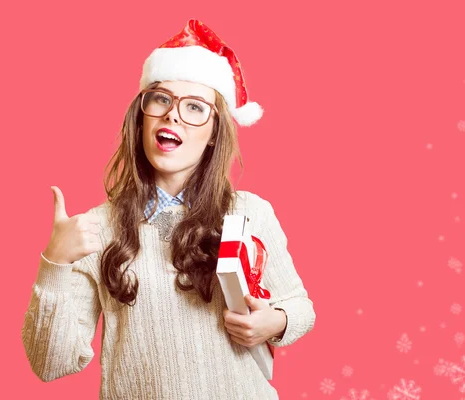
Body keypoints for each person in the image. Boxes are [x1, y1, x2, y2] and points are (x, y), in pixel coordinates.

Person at [21, 18, 316, 399]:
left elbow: (300, 306)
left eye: (195, 107)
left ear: (214, 134)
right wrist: (55, 264)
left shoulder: (250, 213)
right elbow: (50, 365)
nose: (173, 114)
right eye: (161, 98)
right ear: (142, 117)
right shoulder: (94, 230)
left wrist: (275, 322)